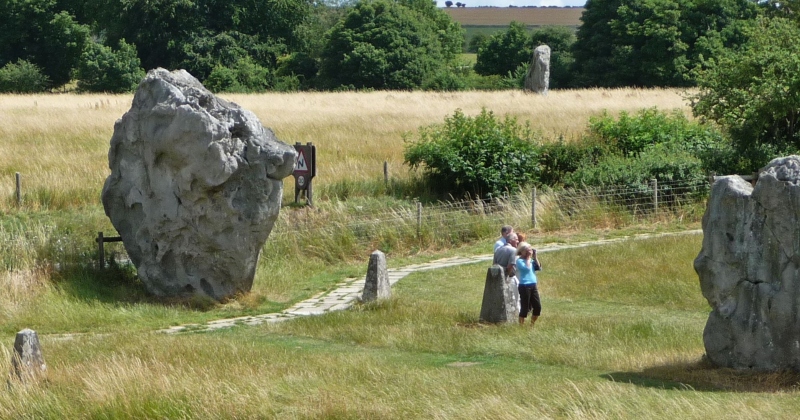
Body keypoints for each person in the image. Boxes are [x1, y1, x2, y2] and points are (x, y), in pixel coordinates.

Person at [515, 242, 542, 327]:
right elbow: (526, 269)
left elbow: (539, 268)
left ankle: (532, 325)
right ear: (522, 251)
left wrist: (535, 257)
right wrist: (527, 258)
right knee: (525, 307)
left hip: (533, 285)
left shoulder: (530, 260)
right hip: (524, 286)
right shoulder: (519, 261)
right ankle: (521, 326)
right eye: (527, 250)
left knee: (537, 307)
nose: (529, 252)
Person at [493, 233, 520, 311]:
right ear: (511, 240)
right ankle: (518, 319)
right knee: (516, 300)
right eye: (516, 239)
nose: (518, 241)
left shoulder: (498, 250)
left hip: (499, 279)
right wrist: (506, 278)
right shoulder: (513, 250)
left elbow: (494, 265)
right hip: (510, 278)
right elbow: (510, 266)